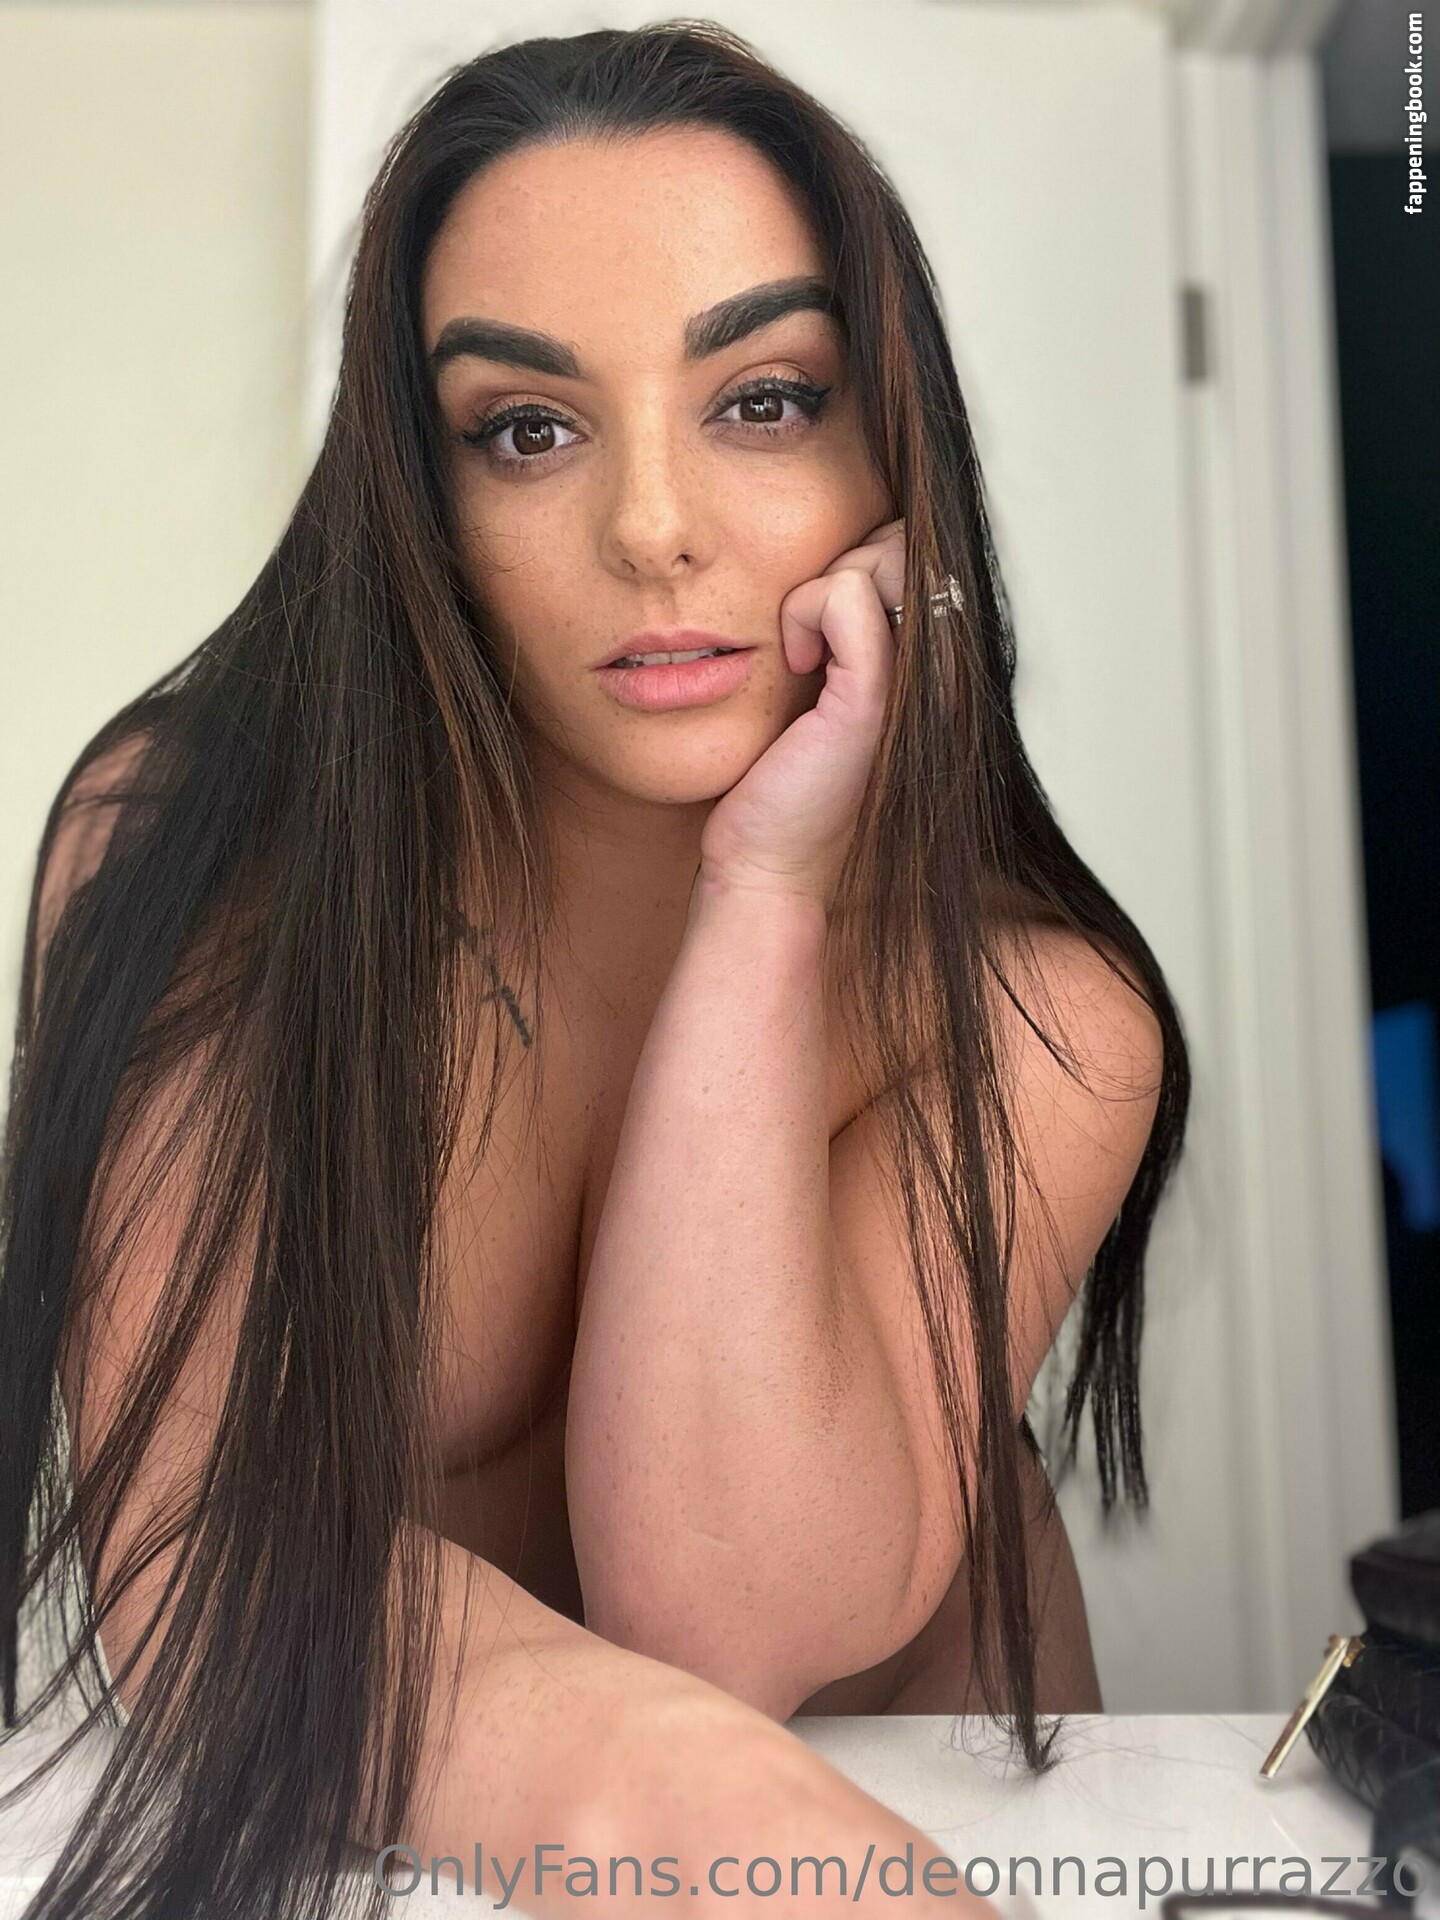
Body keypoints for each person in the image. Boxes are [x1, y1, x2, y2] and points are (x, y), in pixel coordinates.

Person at [0, 21, 1190, 1920]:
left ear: (903, 459)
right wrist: (642, 1797)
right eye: (527, 430)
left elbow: (717, 1620)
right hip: (560, 1851)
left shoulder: (1040, 1016)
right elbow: (196, 1543)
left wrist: (768, 893)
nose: (650, 529)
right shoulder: (207, 855)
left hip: (923, 1823)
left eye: (764, 400)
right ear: (425, 498)